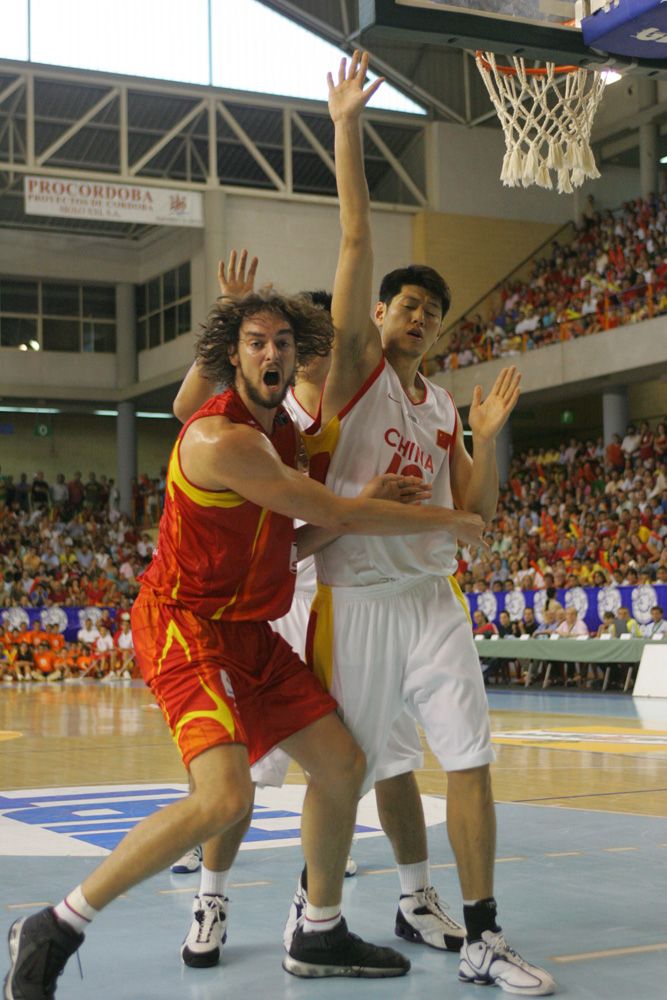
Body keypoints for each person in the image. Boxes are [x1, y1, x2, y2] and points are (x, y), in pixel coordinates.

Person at [5, 281, 488, 997]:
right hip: (183, 624)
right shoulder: (220, 438)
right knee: (226, 797)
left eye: (283, 342)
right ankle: (59, 922)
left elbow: (303, 535)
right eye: (257, 341)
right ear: (233, 357)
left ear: (298, 357)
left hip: (250, 627)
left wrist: (363, 507)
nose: (272, 352)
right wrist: (445, 521)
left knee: (342, 764)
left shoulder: (283, 433)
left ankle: (319, 928)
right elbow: (331, 512)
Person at [294, 53, 551, 995]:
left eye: (433, 313)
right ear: (376, 318)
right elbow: (356, 240)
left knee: (471, 757)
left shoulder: (442, 406)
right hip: (354, 599)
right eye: (408, 306)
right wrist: (347, 127)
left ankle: (481, 935)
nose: (421, 318)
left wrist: (486, 440)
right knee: (344, 772)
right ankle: (314, 917)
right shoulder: (353, 370)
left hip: (430, 596)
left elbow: (473, 518)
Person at [172, 260, 465, 953]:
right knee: (246, 770)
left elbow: (337, 518)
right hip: (277, 603)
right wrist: (228, 315)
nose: (294, 353)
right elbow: (191, 412)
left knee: (386, 756)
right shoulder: (261, 422)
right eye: (270, 343)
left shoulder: (335, 413)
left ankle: (403, 896)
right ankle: (211, 902)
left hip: (339, 584)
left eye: (302, 341)